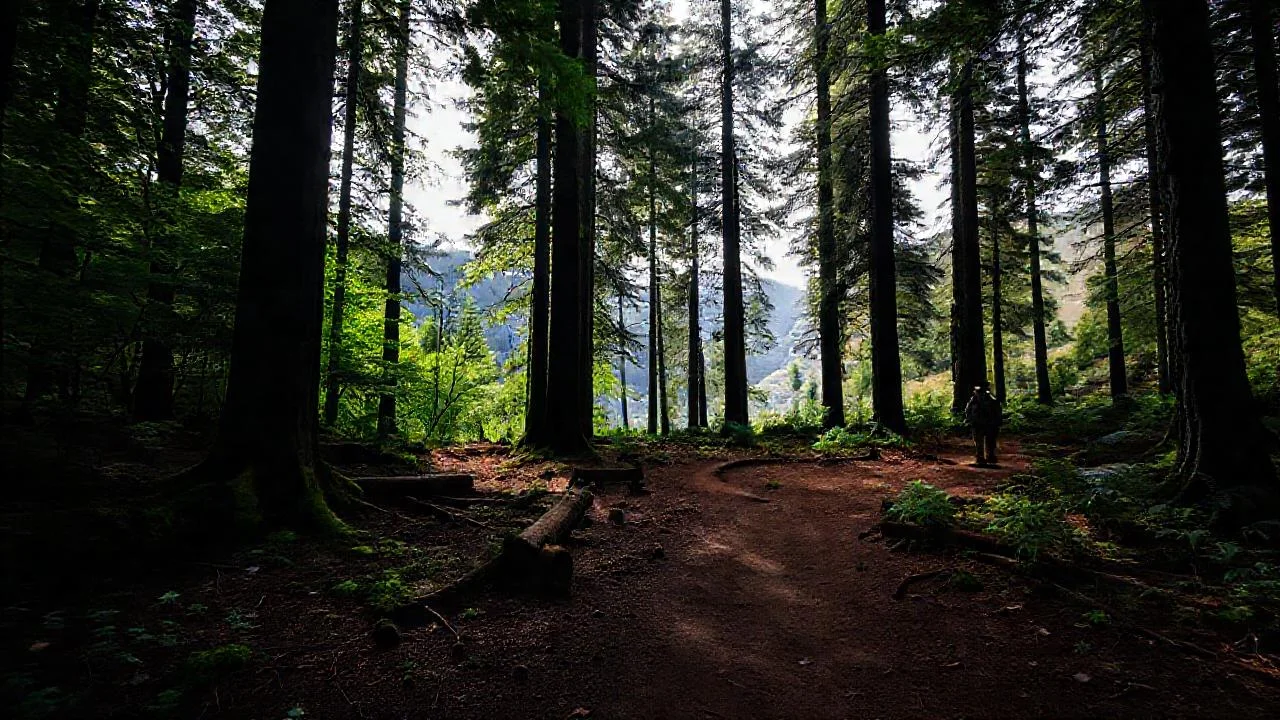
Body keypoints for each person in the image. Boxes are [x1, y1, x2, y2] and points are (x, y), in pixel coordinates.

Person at [964, 382, 1002, 466]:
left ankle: (987, 457)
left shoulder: (990, 399)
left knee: (987, 441)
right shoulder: (975, 400)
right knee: (983, 441)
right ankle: (985, 457)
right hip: (981, 424)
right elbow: (968, 411)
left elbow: (968, 411)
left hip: (987, 424)